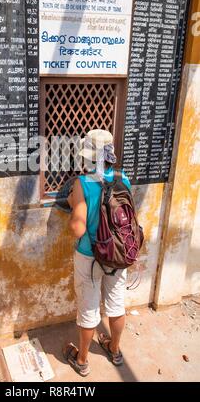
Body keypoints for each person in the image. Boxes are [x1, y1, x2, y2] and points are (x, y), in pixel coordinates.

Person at [63, 129, 131, 377]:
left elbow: (77, 228)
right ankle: (114, 349)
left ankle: (82, 360)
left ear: (89, 156)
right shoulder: (124, 178)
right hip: (118, 254)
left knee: (89, 308)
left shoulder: (82, 184)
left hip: (89, 257)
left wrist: (73, 206)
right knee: (116, 304)